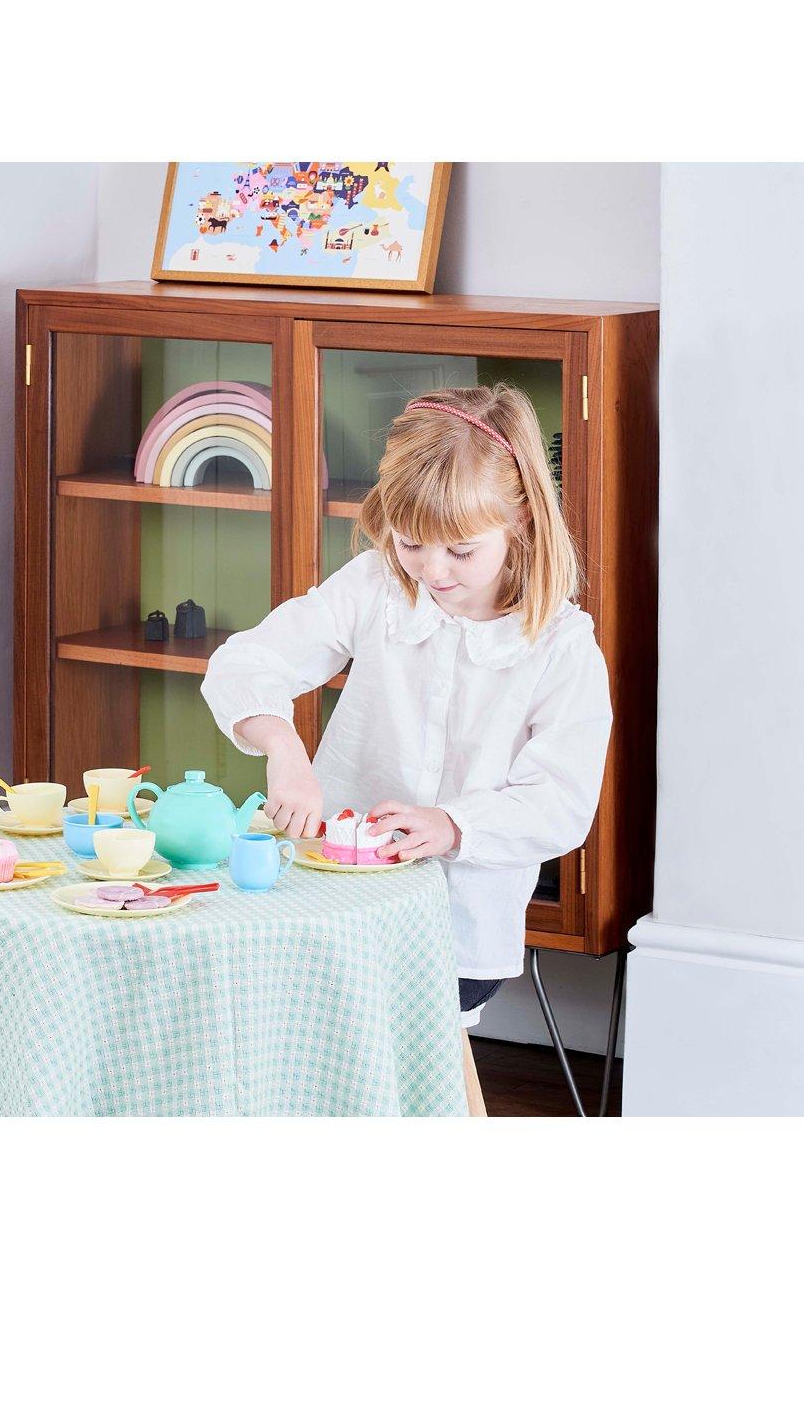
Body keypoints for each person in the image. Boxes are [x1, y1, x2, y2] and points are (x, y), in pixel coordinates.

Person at [201, 385, 613, 1025]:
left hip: (455, 939)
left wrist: (453, 825)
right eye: (409, 541)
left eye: (461, 550)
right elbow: (247, 661)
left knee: (378, 1063)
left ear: (522, 517)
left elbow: (559, 801)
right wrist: (282, 747)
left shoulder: (561, 649)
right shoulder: (376, 588)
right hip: (331, 908)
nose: (432, 569)